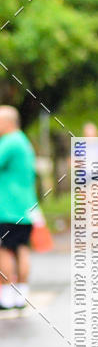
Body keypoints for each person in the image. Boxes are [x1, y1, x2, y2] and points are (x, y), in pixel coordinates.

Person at [0, 106, 37, 310]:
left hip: (7, 208)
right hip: (25, 207)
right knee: (21, 248)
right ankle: (21, 295)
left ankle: (6, 297)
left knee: (4, 249)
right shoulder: (23, 141)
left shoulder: (10, 141)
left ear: (7, 122)